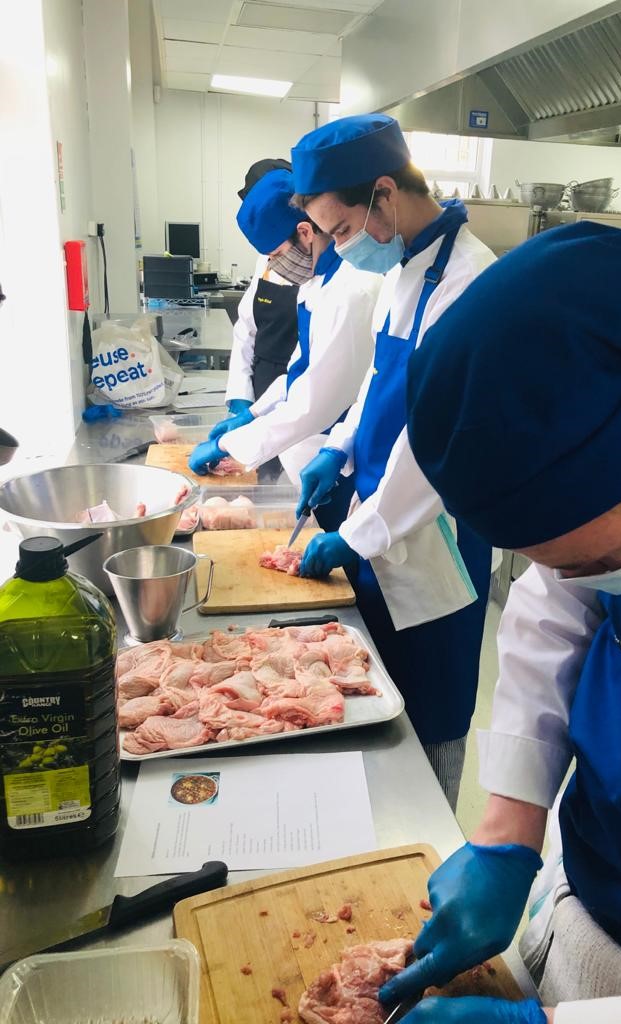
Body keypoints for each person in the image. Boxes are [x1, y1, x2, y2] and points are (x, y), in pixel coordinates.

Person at [378, 221, 621, 1023]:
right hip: (581, 896)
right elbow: (558, 594)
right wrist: (511, 822)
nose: (580, 584)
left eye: (600, 565)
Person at [287, 113, 496, 808]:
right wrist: (338, 450)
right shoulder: (405, 271)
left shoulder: (468, 284)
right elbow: (379, 385)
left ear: (383, 193)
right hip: (378, 527)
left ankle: (423, 862)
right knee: (370, 710)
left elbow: (435, 449)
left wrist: (356, 533)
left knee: (428, 728)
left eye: (341, 230)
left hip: (434, 550)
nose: (340, 250)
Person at [188, 167, 380, 531]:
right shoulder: (316, 282)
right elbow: (299, 371)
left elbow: (314, 402)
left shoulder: (351, 290)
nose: (273, 266)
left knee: (351, 560)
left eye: (275, 255)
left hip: (348, 455)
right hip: (316, 447)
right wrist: (252, 413)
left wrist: (231, 445)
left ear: (306, 231)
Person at [220, 158, 314, 483]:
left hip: (301, 398)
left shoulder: (309, 260)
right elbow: (246, 328)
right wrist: (241, 400)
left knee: (293, 483)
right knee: (264, 484)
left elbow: (318, 373)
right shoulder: (270, 251)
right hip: (266, 387)